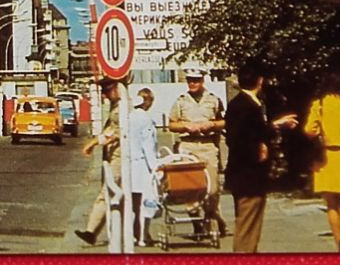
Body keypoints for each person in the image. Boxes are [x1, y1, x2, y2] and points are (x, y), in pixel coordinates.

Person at [225, 62, 298, 252]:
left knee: (250, 223)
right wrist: (260, 147)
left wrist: (273, 126)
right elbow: (239, 138)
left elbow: (248, 132)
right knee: (248, 225)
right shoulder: (245, 105)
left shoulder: (245, 104)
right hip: (248, 176)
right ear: (260, 81)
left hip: (246, 176)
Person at [304, 70, 340, 252]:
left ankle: (338, 241)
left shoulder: (320, 105)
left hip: (325, 157)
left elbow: (309, 130)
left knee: (331, 203)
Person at [168, 66, 228, 237]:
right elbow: (172, 124)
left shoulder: (213, 99)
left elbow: (223, 122)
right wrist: (185, 126)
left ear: (202, 80)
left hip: (207, 145)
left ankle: (212, 219)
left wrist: (212, 125)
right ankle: (196, 221)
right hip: (188, 146)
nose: (192, 83)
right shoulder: (181, 101)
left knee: (212, 188)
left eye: (196, 80)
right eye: (189, 80)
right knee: (190, 186)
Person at [74, 78, 122, 246]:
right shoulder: (115, 106)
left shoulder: (122, 107)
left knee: (107, 193)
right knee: (113, 195)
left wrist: (92, 143)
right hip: (114, 156)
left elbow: (114, 134)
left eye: (108, 91)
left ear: (115, 89)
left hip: (121, 157)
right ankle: (95, 232)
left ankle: (91, 232)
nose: (106, 96)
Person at [126, 87, 160, 246]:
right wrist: (156, 168)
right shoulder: (146, 119)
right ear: (147, 102)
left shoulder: (129, 117)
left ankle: (132, 235)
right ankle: (143, 236)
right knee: (146, 202)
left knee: (133, 203)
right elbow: (148, 146)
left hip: (129, 164)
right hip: (142, 166)